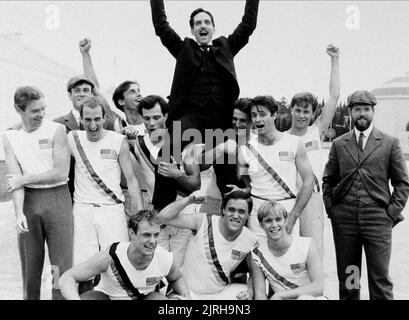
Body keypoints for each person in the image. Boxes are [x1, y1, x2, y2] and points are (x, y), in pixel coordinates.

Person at [150, 0, 260, 211]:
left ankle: (236, 211)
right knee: (166, 151)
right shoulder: (183, 49)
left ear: (213, 27)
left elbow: (248, 25)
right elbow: (161, 26)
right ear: (192, 29)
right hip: (191, 116)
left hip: (221, 117)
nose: (203, 26)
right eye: (198, 23)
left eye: (207, 22)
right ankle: (160, 209)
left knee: (228, 161)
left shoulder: (226, 46)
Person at [322, 90, 409, 300]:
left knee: (379, 278)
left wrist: (390, 214)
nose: (363, 113)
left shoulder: (390, 143)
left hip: (377, 219)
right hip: (345, 220)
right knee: (350, 277)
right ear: (350, 112)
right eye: (358, 109)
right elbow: (328, 180)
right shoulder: (339, 144)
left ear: (373, 112)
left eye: (367, 109)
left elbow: (402, 183)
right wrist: (332, 209)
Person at [67, 96, 144, 292]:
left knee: (117, 261)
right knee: (83, 266)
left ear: (104, 118)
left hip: (112, 210)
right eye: (88, 119)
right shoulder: (73, 138)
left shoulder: (118, 140)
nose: (92, 125)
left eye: (97, 119)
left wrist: (140, 215)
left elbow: (132, 179)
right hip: (83, 211)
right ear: (81, 119)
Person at [3, 86, 73, 300]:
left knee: (60, 267)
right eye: (35, 111)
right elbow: (14, 180)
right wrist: (18, 214)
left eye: (43, 109)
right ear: (19, 109)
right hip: (29, 202)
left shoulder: (56, 130)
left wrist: (24, 178)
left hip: (57, 200)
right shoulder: (10, 136)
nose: (41, 114)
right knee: (30, 265)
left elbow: (61, 172)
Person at [78, 38, 146, 218]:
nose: (138, 93)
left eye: (139, 90)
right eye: (132, 91)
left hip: (153, 192)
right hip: (128, 193)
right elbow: (95, 89)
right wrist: (86, 55)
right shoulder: (117, 123)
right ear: (121, 101)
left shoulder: (154, 123)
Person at [59, 210, 191, 300]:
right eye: (146, 235)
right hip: (108, 297)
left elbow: (177, 278)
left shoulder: (165, 258)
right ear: (132, 234)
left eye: (156, 235)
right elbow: (67, 277)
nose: (152, 241)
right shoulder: (110, 257)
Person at [132, 95, 201, 267]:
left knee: (180, 269)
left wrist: (176, 173)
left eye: (156, 117)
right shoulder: (138, 143)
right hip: (157, 213)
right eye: (146, 118)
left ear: (166, 116)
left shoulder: (185, 143)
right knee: (156, 267)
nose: (151, 123)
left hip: (183, 213)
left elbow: (195, 184)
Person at [286, 45, 340, 258]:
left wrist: (335, 60)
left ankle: (315, 292)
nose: (301, 115)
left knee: (313, 251)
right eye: (297, 110)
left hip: (313, 199)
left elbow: (335, 96)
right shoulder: (281, 138)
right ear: (291, 110)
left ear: (312, 114)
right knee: (287, 249)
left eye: (305, 111)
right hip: (288, 198)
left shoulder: (316, 131)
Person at [237, 96, 315, 241]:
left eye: (262, 114)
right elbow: (245, 180)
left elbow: (309, 181)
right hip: (257, 217)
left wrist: (293, 216)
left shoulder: (294, 143)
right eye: (254, 115)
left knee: (286, 260)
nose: (257, 119)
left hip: (285, 214)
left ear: (274, 115)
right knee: (258, 259)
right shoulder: (245, 149)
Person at [157, 190, 258, 300]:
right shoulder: (203, 221)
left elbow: (255, 273)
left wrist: (250, 290)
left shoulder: (250, 240)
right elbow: (161, 218)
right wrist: (188, 200)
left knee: (244, 295)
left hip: (219, 295)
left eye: (241, 212)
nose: (235, 215)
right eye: (231, 210)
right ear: (223, 210)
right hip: (187, 292)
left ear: (248, 215)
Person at [251, 201, 324, 300]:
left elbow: (318, 286)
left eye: (278, 219)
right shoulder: (257, 254)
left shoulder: (307, 245)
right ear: (261, 225)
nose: (274, 224)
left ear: (285, 221)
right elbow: (260, 295)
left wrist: (280, 295)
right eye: (268, 221)